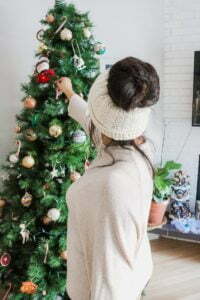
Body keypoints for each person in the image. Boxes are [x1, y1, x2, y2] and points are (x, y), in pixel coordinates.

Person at [56, 56, 160, 300]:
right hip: (136, 268)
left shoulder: (112, 186)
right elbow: (95, 125)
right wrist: (70, 94)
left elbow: (110, 279)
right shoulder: (139, 147)